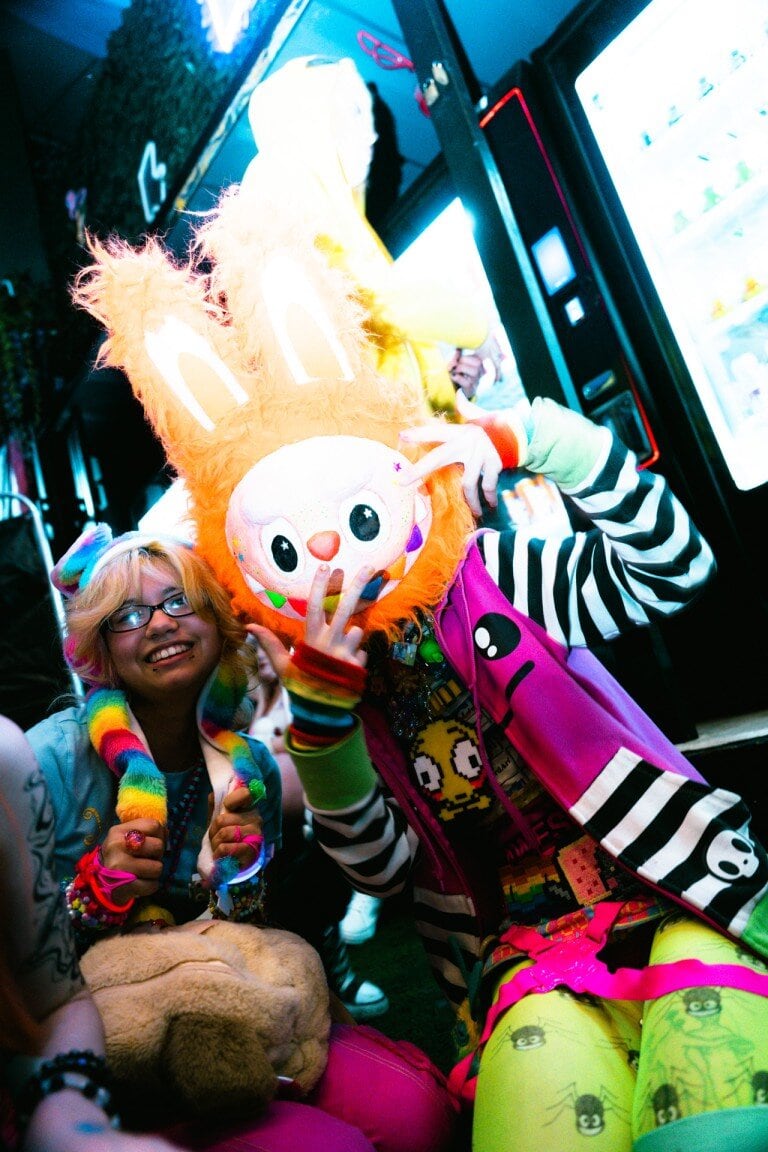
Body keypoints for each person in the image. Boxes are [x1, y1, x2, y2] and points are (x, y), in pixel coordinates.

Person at [247, 399, 768, 1152]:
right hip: (523, 950)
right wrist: (324, 727)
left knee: (711, 1134)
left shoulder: (489, 572)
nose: (332, 546)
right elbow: (384, 871)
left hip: (672, 892)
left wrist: (537, 437)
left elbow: (672, 566)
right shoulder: (330, 668)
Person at [24, 526, 458, 1152]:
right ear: (100, 650)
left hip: (232, 991)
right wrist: (94, 895)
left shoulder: (246, 763)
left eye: (179, 602)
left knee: (417, 1114)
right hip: (107, 1029)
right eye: (128, 615)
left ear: (215, 619)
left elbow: (248, 927)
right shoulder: (49, 760)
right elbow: (18, 969)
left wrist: (243, 871)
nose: (159, 625)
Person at [0, 713, 180, 1152]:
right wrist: (94, 894)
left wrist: (74, 1123)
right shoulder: (54, 754)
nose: (160, 637)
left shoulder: (5, 757)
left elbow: (54, 1002)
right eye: (120, 634)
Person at [247, 639, 388, 1016]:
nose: (260, 652)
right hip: (275, 834)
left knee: (305, 896)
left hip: (316, 826)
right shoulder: (263, 699)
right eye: (254, 646)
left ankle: (338, 966)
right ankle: (321, 983)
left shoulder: (299, 693)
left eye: (267, 643)